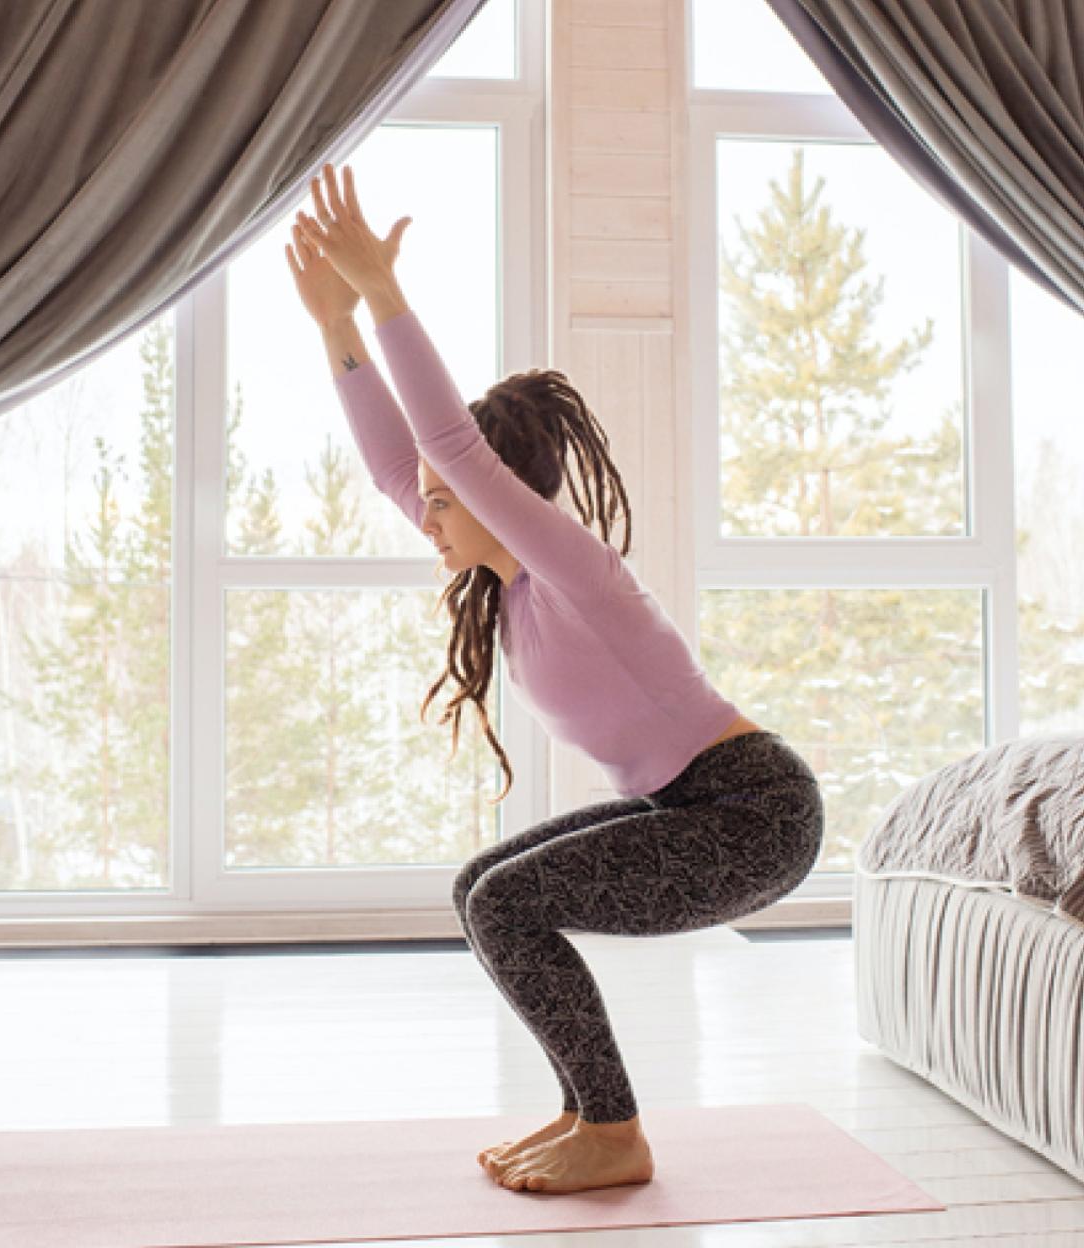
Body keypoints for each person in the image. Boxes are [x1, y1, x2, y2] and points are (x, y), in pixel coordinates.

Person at [285, 162, 825, 1196]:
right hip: (691, 806)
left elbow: (445, 448)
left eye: (448, 502)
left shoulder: (574, 569)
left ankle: (614, 1131)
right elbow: (405, 465)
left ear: (500, 495)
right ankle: (589, 1111)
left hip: (753, 810)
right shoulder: (509, 582)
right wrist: (334, 328)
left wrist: (385, 296)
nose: (426, 516)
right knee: (480, 892)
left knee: (506, 906)